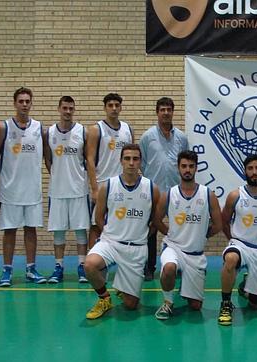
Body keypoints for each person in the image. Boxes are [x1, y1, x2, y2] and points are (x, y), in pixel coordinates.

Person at [83, 144, 160, 319]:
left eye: (135, 159)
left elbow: (155, 221)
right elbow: (99, 217)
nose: (131, 163)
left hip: (136, 249)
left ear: (140, 162)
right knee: (89, 265)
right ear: (121, 161)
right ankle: (104, 298)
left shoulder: (151, 188)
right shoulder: (108, 186)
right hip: (110, 243)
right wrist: (110, 234)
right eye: (127, 159)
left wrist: (144, 236)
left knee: (131, 305)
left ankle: (122, 288)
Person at [154, 151, 222, 320]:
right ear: (178, 168)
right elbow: (156, 219)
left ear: (196, 168)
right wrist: (168, 233)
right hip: (173, 247)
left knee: (195, 307)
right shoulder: (169, 194)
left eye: (191, 166)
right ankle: (168, 302)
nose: (187, 170)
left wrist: (203, 235)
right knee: (169, 267)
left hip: (195, 254)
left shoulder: (208, 194)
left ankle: (185, 281)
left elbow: (219, 224)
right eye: (184, 166)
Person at [217, 154, 257, 326]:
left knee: (255, 305)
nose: (254, 172)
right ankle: (225, 304)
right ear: (244, 171)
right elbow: (224, 221)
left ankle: (246, 286)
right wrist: (233, 240)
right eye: (250, 168)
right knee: (230, 259)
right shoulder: (235, 195)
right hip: (240, 245)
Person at [0, 87, 46, 287]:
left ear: (31, 103)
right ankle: (7, 270)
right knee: (10, 230)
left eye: (27, 101)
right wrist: (6, 176)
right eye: (21, 101)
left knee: (30, 229)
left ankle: (31, 269)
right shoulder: (4, 127)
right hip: (11, 190)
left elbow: (46, 155)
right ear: (14, 103)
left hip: (32, 188)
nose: (24, 104)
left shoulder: (39, 128)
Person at [139, 97, 188, 281]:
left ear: (173, 112)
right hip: (154, 191)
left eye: (169, 109)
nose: (166, 113)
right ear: (157, 112)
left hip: (177, 191)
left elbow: (186, 163)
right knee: (151, 229)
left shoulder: (181, 138)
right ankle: (149, 266)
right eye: (162, 109)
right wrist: (152, 181)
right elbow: (142, 164)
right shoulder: (147, 136)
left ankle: (180, 263)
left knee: (179, 227)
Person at [42, 96, 90, 283]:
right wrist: (58, 175)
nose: (68, 111)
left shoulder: (82, 132)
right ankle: (59, 266)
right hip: (57, 190)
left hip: (78, 189)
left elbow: (87, 159)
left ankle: (81, 266)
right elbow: (48, 160)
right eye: (65, 108)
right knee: (58, 230)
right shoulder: (49, 132)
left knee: (80, 230)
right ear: (59, 109)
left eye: (71, 108)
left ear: (74, 110)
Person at [86, 93, 134, 248]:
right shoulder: (96, 129)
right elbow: (90, 160)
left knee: (122, 224)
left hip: (122, 185)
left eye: (117, 105)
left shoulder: (127, 129)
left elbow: (132, 157)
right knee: (96, 225)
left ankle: (119, 259)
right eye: (110, 105)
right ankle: (92, 262)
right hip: (102, 185)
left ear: (121, 107)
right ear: (105, 108)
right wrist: (94, 188)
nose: (114, 108)